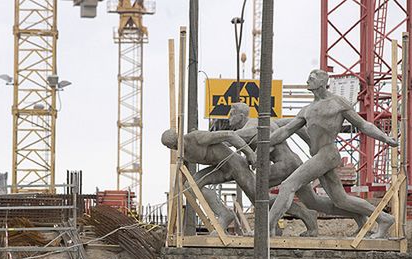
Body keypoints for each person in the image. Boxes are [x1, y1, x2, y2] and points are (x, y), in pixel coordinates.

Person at [268, 69, 398, 238]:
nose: (307, 81)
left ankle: (267, 228)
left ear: (322, 82)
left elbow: (364, 125)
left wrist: (385, 138)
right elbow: (286, 130)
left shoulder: (338, 103)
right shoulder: (307, 110)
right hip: (318, 156)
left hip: (327, 153)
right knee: (340, 200)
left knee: (288, 185)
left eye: (311, 78)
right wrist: (265, 142)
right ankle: (382, 218)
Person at [226, 102, 369, 235]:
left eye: (231, 114)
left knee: (256, 190)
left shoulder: (250, 127)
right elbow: (290, 124)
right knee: (314, 202)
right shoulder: (262, 122)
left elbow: (234, 136)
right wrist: (311, 144)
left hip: (283, 165)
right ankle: (355, 214)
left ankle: (271, 227)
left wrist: (257, 152)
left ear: (241, 116)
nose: (228, 118)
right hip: (294, 162)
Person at [161, 128, 317, 234]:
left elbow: (230, 135)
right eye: (172, 147)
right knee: (191, 186)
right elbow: (185, 173)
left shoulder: (196, 138)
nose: (175, 148)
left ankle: (306, 214)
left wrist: (249, 154)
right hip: (219, 169)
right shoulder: (182, 153)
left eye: (176, 144)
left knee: (261, 200)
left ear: (179, 138)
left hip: (235, 165)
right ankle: (224, 215)